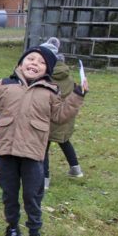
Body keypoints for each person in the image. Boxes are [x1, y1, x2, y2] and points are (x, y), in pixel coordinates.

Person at [0, 45, 86, 236]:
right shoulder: (6, 84)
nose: (34, 63)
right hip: (7, 153)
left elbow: (61, 116)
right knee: (9, 196)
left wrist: (77, 96)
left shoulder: (50, 91)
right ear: (21, 63)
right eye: (30, 58)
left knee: (32, 198)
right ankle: (13, 229)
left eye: (41, 62)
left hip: (33, 156)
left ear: (47, 70)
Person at [40, 37, 84, 190]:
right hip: (65, 117)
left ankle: (44, 179)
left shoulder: (46, 77)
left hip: (48, 118)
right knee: (64, 141)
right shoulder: (67, 75)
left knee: (43, 148)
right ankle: (76, 169)